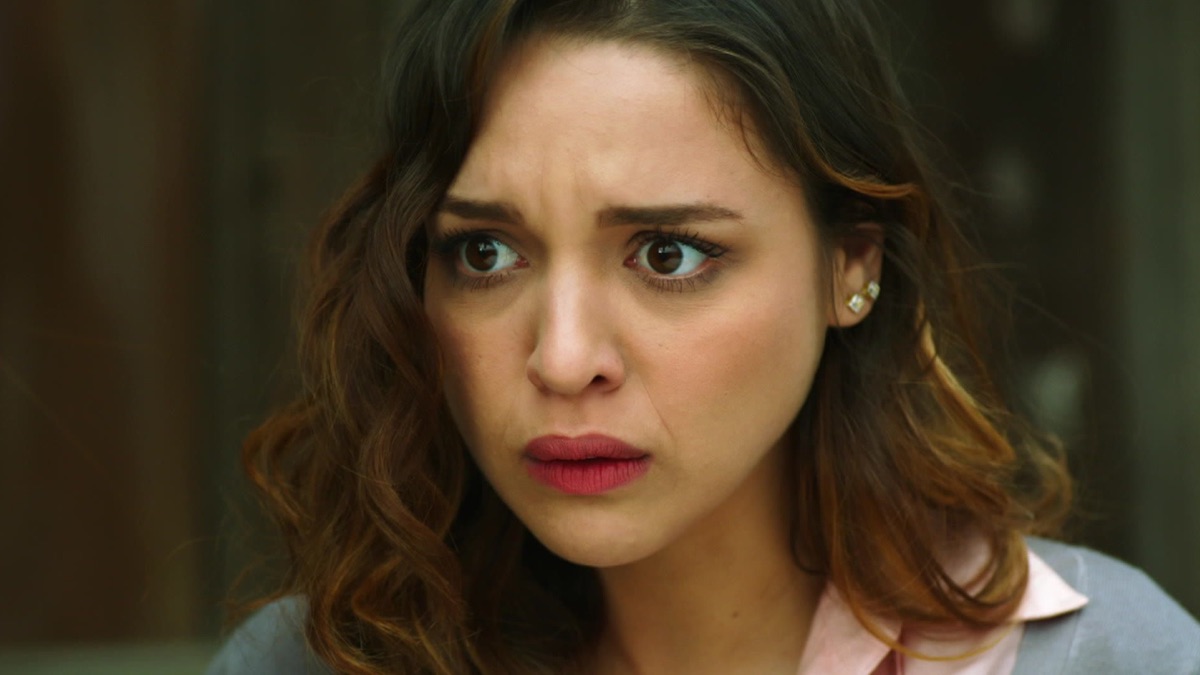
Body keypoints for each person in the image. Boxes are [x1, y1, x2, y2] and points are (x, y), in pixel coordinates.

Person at [207, 0, 1200, 673]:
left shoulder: (1105, 659)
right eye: (485, 253)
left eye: (668, 254)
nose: (563, 359)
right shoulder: (319, 660)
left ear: (850, 268)